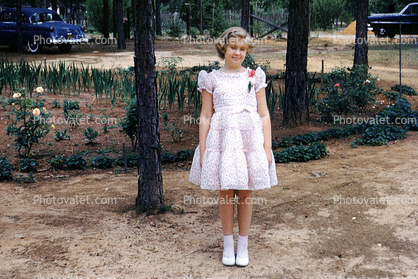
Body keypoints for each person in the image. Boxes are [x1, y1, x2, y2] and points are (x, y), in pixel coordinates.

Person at [189, 27, 278, 267]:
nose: (237, 53)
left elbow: (264, 113)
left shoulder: (254, 76)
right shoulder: (212, 78)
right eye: (233, 47)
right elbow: (206, 115)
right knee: (226, 191)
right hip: (223, 142)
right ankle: (228, 244)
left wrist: (267, 147)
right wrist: (204, 148)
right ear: (223, 48)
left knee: (247, 191)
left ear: (247, 51)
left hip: (249, 142)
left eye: (242, 49)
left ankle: (244, 244)